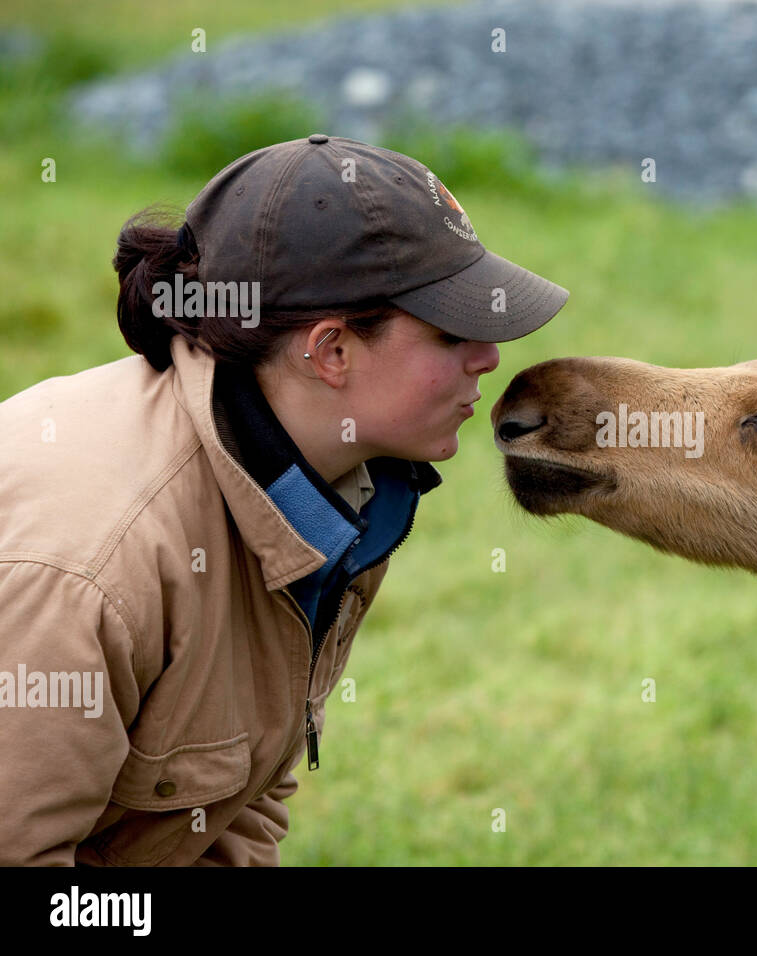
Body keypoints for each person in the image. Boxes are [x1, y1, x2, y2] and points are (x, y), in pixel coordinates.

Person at [0, 134, 568, 865]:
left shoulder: (338, 490)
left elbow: (233, 803)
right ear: (331, 350)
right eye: (452, 331)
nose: (488, 357)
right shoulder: (87, 570)